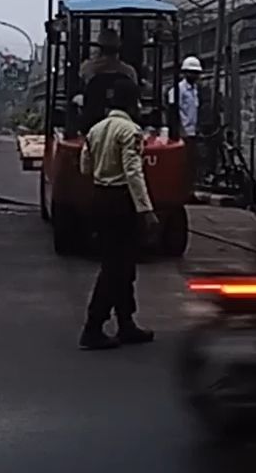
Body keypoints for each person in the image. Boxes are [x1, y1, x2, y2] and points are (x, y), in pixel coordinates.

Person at [78, 75, 158, 351]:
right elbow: (133, 173)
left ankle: (126, 323)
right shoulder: (130, 131)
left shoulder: (96, 129)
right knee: (116, 268)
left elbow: (85, 168)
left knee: (123, 266)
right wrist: (145, 210)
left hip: (100, 197)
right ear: (132, 102)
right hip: (121, 201)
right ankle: (93, 326)